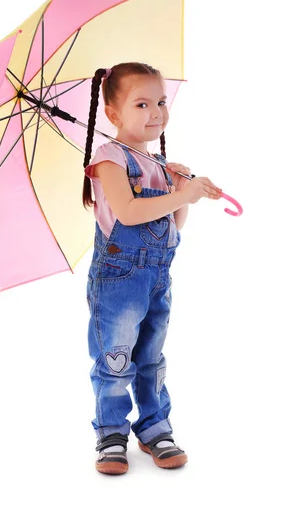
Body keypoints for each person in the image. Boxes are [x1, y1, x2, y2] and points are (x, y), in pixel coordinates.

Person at [82, 62, 222, 475]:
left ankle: (154, 426)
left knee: (151, 356)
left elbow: (172, 227)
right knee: (116, 356)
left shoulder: (160, 163)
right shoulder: (108, 158)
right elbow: (127, 212)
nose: (156, 112)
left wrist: (183, 193)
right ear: (113, 115)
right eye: (142, 104)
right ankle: (111, 432)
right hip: (119, 281)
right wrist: (183, 193)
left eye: (161, 101)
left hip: (158, 277)